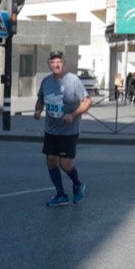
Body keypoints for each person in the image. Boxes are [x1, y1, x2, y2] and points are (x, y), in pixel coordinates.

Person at [33, 50, 91, 207]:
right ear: (49, 64)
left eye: (59, 61)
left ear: (64, 63)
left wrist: (72, 115)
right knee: (51, 160)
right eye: (53, 62)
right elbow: (40, 100)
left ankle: (78, 184)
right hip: (51, 130)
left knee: (65, 163)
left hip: (69, 131)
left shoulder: (73, 81)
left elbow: (87, 101)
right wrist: (38, 110)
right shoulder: (46, 81)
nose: (56, 64)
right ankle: (61, 194)